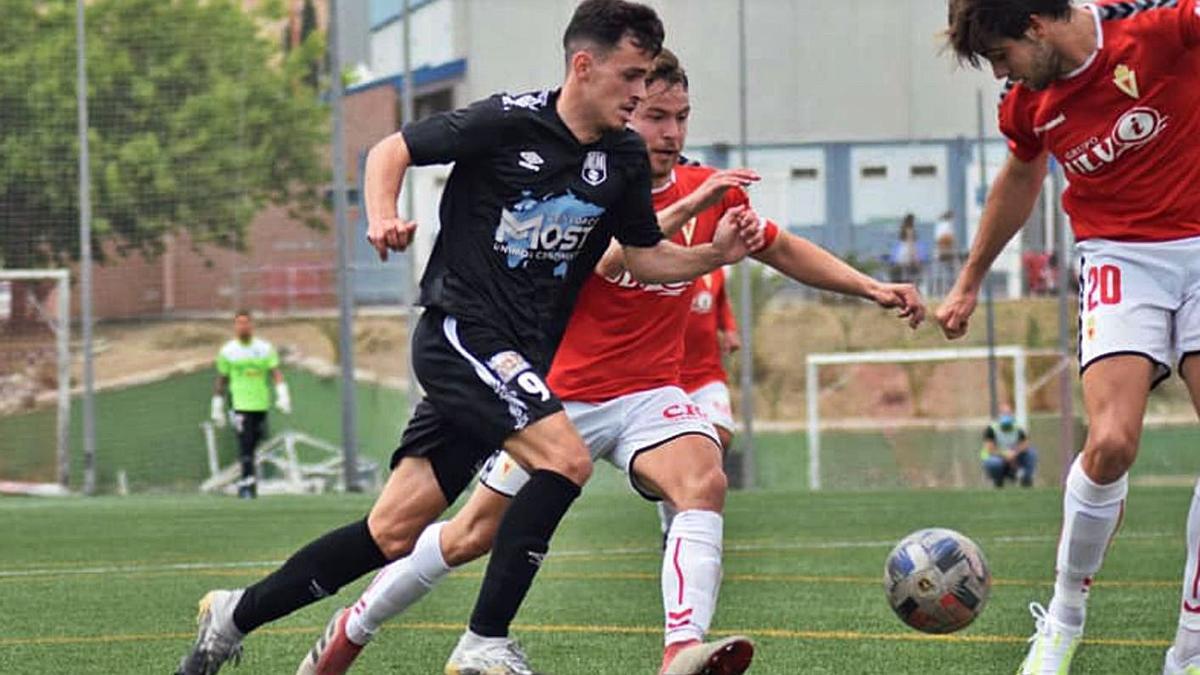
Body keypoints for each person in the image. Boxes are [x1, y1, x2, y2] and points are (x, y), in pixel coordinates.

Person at [294, 47, 925, 675]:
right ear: (621, 106)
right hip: (555, 397)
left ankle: (681, 648)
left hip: (647, 392)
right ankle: (353, 627)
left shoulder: (702, 186)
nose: (671, 133)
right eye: (655, 115)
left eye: (681, 117)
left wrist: (872, 288)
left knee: (703, 479)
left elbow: (779, 248)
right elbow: (616, 257)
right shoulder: (591, 179)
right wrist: (690, 216)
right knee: (470, 535)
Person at [174, 3, 762, 674]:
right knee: (565, 458)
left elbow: (642, 255)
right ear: (583, 65)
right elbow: (390, 149)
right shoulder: (509, 121)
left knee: (392, 530)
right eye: (629, 76)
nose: (637, 93)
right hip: (461, 331)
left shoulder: (621, 155)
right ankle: (485, 640)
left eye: (646, 78)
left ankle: (234, 613)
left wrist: (715, 254)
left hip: (514, 359)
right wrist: (382, 216)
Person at [940, 1, 1200, 672]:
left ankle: (1191, 648)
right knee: (1111, 441)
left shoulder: (1160, 29)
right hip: (1119, 256)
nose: (1003, 74)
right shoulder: (1028, 104)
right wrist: (970, 277)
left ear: (1035, 25)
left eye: (1002, 56)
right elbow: (1022, 176)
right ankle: (1064, 615)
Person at [209, 310, 291, 499]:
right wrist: (217, 405)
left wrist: (282, 394)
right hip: (240, 405)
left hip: (260, 404)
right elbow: (222, 378)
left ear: (252, 325)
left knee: (255, 442)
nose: (243, 326)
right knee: (245, 444)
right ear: (234, 326)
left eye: (246, 322)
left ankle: (249, 480)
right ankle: (247, 483)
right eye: (239, 323)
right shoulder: (228, 351)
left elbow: (275, 372)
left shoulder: (264, 349)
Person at [980, 403, 1037, 488]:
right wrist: (1005, 454)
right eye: (1004, 413)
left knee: (1031, 453)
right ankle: (998, 481)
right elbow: (989, 449)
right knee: (994, 463)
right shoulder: (991, 429)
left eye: (1008, 413)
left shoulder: (1018, 428)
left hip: (1014, 458)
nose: (1006, 415)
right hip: (997, 459)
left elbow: (1025, 444)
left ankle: (1026, 480)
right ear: (1000, 415)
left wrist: (1014, 453)